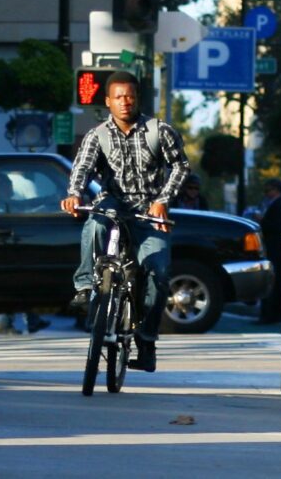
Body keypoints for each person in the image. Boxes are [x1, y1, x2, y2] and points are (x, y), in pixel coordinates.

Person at [60, 71, 189, 373]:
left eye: (129, 96)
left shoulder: (160, 131)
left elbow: (180, 167)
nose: (124, 102)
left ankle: (146, 343)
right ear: (108, 101)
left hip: (149, 209)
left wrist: (162, 200)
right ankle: (85, 288)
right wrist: (73, 194)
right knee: (95, 221)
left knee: (159, 274)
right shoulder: (98, 135)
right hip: (114, 204)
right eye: (118, 97)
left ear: (138, 99)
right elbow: (83, 169)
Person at [258, 178, 281, 324]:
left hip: (274, 247)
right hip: (274, 247)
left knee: (273, 282)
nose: (267, 194)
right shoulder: (273, 204)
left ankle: (270, 314)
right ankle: (271, 314)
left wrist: (262, 220)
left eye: (269, 190)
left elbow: (275, 226)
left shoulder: (279, 204)